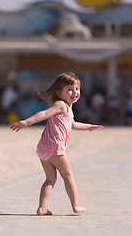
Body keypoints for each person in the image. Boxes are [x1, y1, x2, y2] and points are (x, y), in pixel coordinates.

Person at [10, 72, 103, 215]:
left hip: (43, 148)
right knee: (68, 176)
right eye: (70, 89)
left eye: (77, 89)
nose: (75, 92)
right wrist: (26, 122)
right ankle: (76, 205)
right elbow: (44, 114)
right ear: (59, 93)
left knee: (50, 178)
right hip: (54, 147)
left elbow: (72, 124)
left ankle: (42, 208)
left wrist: (89, 126)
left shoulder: (68, 108)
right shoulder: (61, 105)